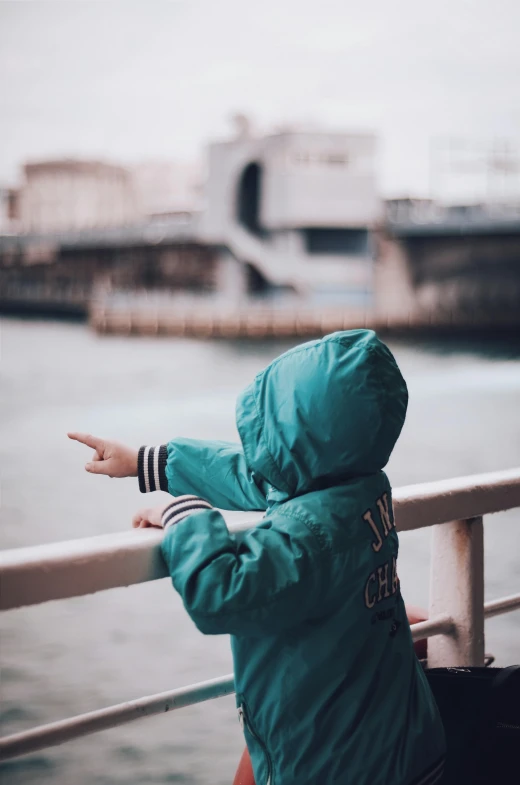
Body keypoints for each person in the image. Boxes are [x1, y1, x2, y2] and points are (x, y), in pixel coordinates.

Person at [69, 329, 445, 785]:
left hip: (329, 763)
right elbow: (266, 475)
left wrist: (183, 514)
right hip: (398, 748)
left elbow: (222, 592)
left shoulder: (310, 534)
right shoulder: (359, 486)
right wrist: (150, 461)